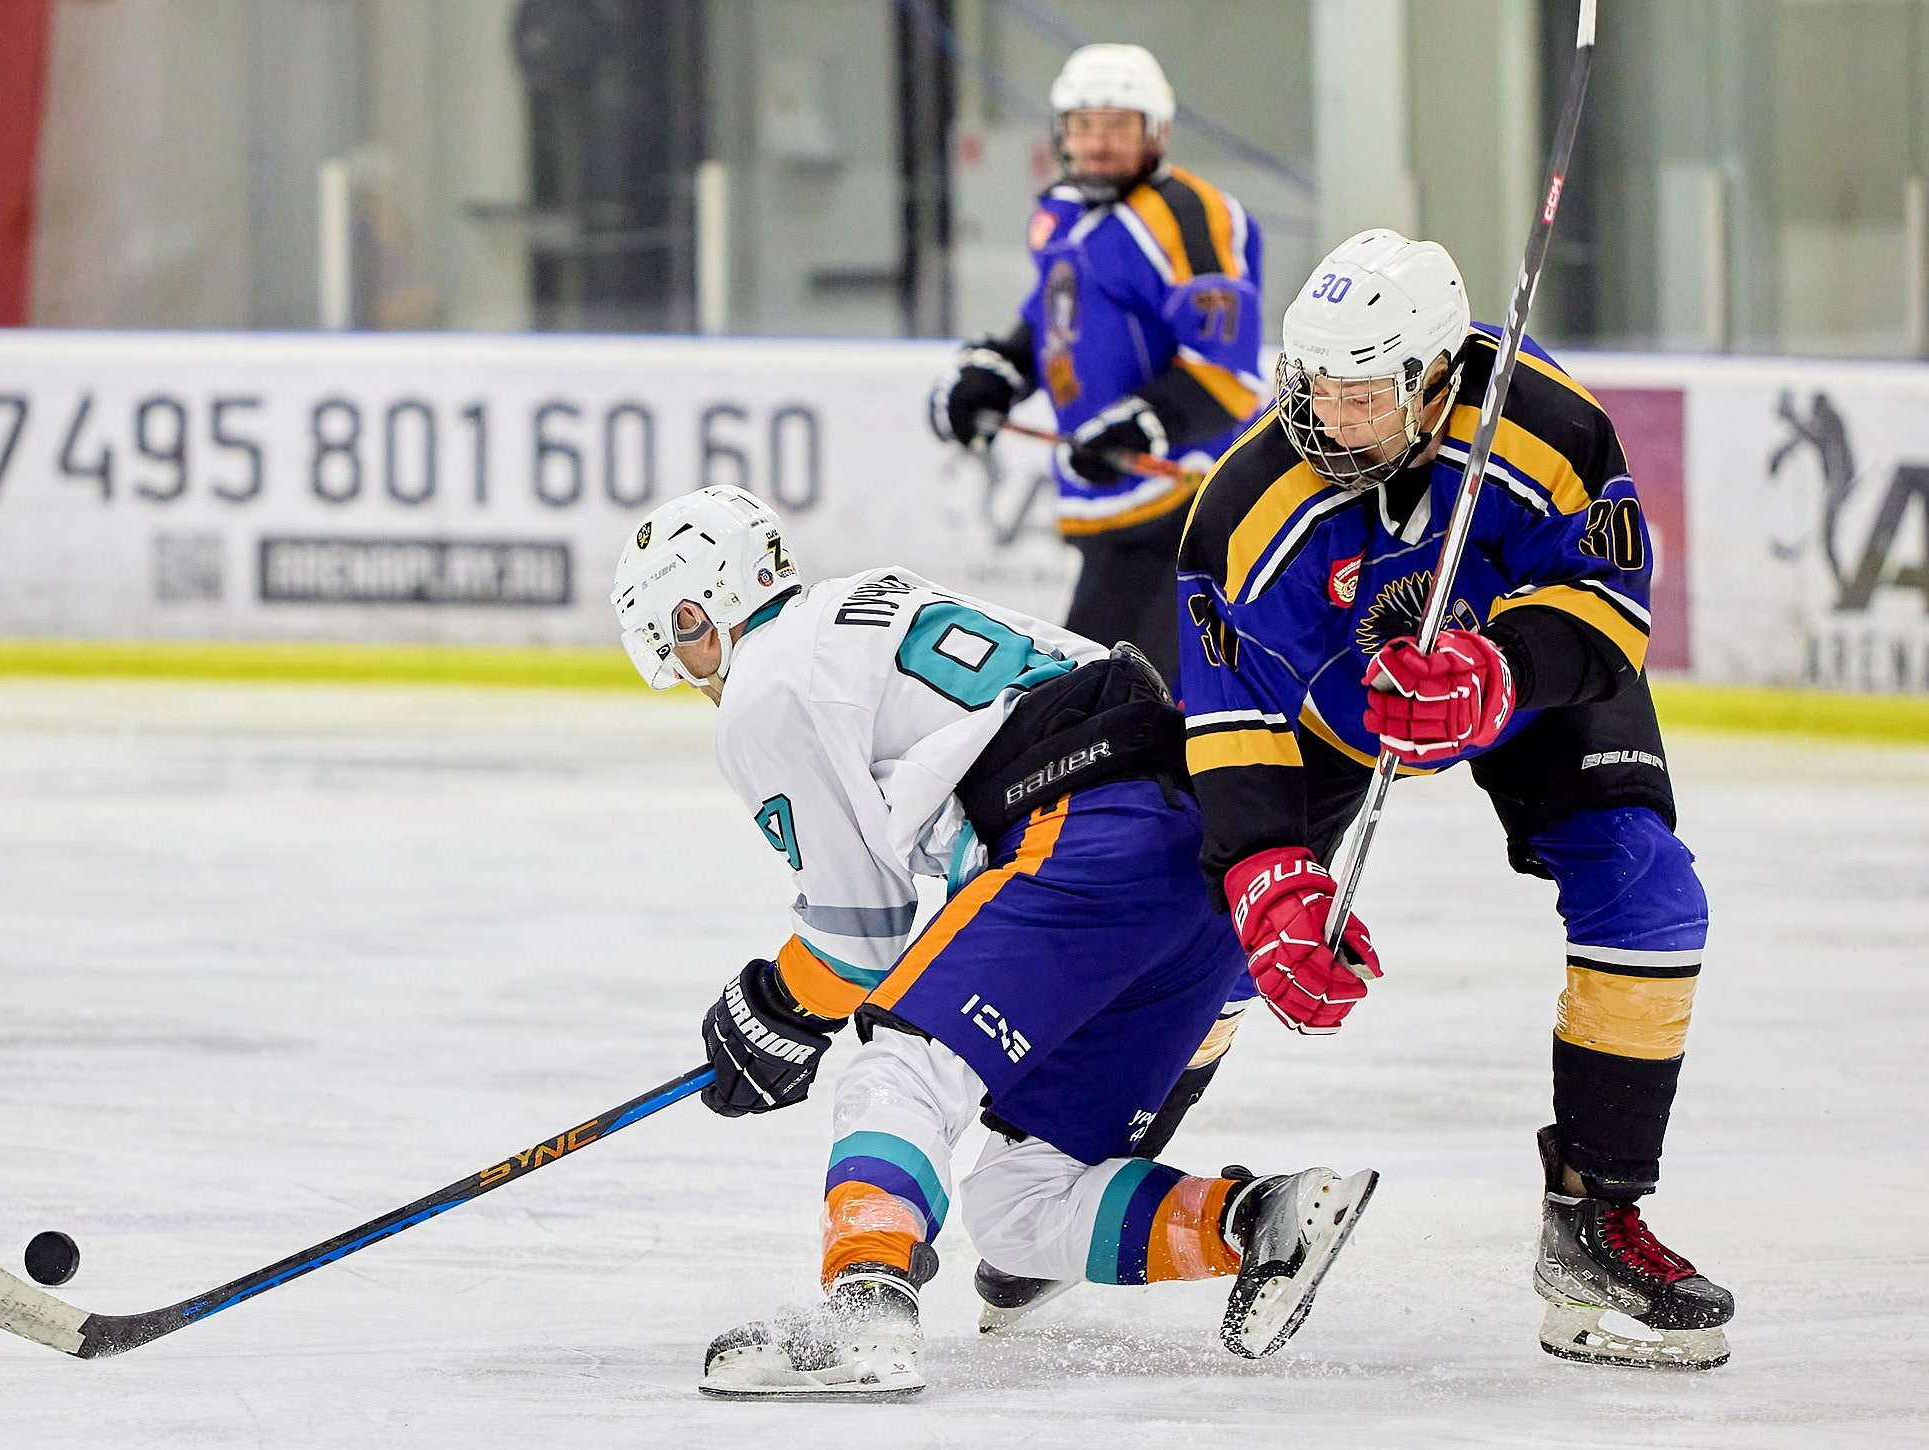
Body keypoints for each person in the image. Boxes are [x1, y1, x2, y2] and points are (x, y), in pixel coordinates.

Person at [611, 484, 1375, 1399]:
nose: (697, 678)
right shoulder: (871, 601)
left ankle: (865, 1309)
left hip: (1092, 838)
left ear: (699, 613)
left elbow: (860, 941)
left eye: (683, 646)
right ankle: (1261, 1220)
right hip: (1211, 863)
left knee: (898, 1069)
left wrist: (771, 1008)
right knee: (1018, 1206)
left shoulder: (765, 684)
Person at [1174, 228, 1734, 1370]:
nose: (1331, 422)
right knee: (1217, 936)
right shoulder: (1242, 513)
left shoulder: (1549, 425)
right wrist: (1264, 869)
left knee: (1647, 887)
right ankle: (1099, 1159)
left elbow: (1611, 600)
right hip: (1332, 713)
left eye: (1364, 396)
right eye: (1313, 388)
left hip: (1517, 685)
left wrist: (1503, 670)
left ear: (1435, 378)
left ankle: (1594, 1226)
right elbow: (1230, 717)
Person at [928, 42, 1265, 685]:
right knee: (1112, 697)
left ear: (1156, 132)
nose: (1098, 144)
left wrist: (1141, 426)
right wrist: (999, 372)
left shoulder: (1190, 216)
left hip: (1188, 511)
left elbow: (1227, 373)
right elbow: (1055, 320)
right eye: (1084, 125)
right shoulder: (1063, 210)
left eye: (1118, 126)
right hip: (1117, 510)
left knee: (1104, 702)